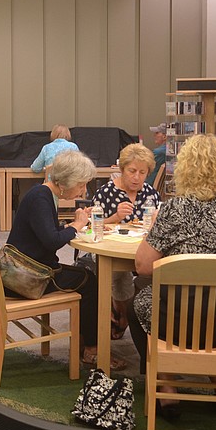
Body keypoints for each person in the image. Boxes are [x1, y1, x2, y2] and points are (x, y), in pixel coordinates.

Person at [132, 134, 216, 419]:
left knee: (139, 300)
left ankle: (168, 386)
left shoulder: (176, 208)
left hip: (181, 318)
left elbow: (143, 265)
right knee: (210, 302)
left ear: (186, 168)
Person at [7, 150, 125, 370]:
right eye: (81, 185)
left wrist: (74, 224)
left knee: (85, 278)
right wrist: (77, 225)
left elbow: (46, 234)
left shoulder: (41, 194)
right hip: (27, 278)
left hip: (20, 269)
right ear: (68, 182)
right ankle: (92, 349)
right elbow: (52, 241)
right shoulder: (41, 198)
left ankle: (84, 341)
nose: (83, 190)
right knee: (90, 282)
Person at [91, 143, 160, 339]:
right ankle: (121, 314)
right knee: (118, 276)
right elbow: (89, 227)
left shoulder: (150, 194)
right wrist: (114, 217)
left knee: (154, 274)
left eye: (142, 172)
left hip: (142, 250)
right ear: (122, 169)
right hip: (112, 250)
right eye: (132, 171)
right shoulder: (105, 193)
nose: (136, 177)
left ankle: (132, 313)